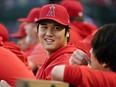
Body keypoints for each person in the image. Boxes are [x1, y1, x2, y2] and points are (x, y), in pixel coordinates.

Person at [51, 23, 116, 87]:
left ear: (105, 60)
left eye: (94, 49)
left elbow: (57, 71)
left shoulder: (108, 79)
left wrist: (81, 68)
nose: (90, 51)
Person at [35, 4, 80, 80]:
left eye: (56, 28)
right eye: (44, 27)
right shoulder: (53, 58)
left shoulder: (66, 62)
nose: (48, 33)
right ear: (37, 30)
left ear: (68, 32)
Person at [18, 7, 48, 74]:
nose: (25, 27)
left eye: (28, 24)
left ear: (36, 28)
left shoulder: (42, 47)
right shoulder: (41, 45)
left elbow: (22, 69)